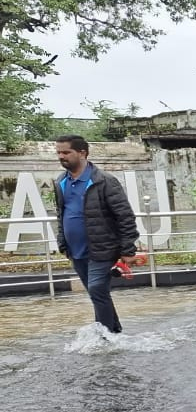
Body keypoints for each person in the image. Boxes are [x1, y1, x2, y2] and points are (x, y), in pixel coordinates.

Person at [53, 134, 140, 334]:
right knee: (98, 294)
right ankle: (114, 331)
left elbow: (125, 216)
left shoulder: (104, 181)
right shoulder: (61, 182)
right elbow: (61, 214)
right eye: (58, 152)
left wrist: (128, 249)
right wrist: (62, 242)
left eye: (66, 152)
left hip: (102, 249)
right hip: (76, 250)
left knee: (97, 289)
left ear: (82, 153)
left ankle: (105, 336)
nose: (61, 156)